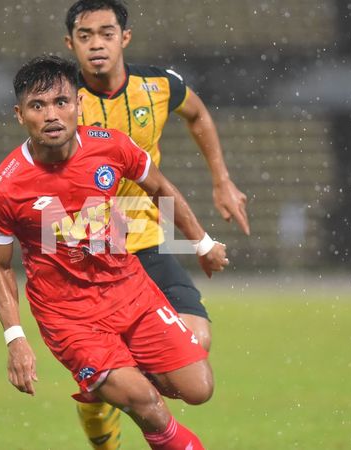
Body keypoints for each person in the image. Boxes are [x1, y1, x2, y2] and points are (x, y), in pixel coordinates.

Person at [0, 55, 228, 449]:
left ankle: (108, 382)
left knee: (199, 388)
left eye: (61, 102)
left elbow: (161, 189)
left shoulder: (110, 146)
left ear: (78, 103)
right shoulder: (4, 189)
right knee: (150, 406)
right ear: (19, 114)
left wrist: (201, 242)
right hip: (69, 315)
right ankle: (116, 382)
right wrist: (16, 339)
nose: (51, 115)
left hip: (130, 289)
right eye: (37, 106)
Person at [63, 1, 250, 447]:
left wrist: (221, 181)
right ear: (70, 44)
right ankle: (108, 399)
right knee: (115, 364)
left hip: (146, 237)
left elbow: (199, 114)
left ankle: (105, 390)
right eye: (84, 36)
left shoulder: (159, 85)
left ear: (124, 38)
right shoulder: (61, 98)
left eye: (105, 33)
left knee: (196, 340)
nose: (95, 44)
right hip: (89, 250)